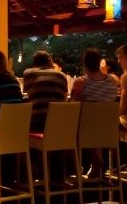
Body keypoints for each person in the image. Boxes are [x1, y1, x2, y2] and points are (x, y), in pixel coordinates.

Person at [71, 48, 119, 176]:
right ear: (99, 63)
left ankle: (73, 167)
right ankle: (96, 161)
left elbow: (72, 108)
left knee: (70, 127)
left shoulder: (81, 82)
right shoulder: (113, 80)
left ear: (84, 63)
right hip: (108, 127)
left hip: (86, 129)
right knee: (95, 120)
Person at [23, 51, 68, 133]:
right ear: (49, 60)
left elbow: (27, 91)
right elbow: (64, 98)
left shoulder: (28, 74)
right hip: (58, 123)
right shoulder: (61, 76)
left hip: (36, 122)